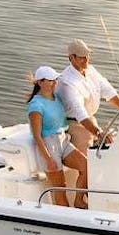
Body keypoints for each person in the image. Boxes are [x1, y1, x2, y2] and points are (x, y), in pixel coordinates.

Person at [26, 65, 87, 208]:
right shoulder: (36, 105)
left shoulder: (56, 97)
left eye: (55, 80)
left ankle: (78, 201)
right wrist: (48, 159)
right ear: (40, 82)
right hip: (49, 144)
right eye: (50, 80)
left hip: (63, 140)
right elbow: (37, 136)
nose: (54, 83)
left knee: (86, 166)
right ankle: (65, 221)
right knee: (60, 188)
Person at [55, 39, 119, 156]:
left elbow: (107, 90)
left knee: (109, 143)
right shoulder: (67, 82)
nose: (86, 59)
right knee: (86, 159)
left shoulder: (91, 70)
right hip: (74, 124)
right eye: (82, 57)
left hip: (90, 119)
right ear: (71, 58)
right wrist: (99, 133)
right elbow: (80, 114)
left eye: (87, 55)